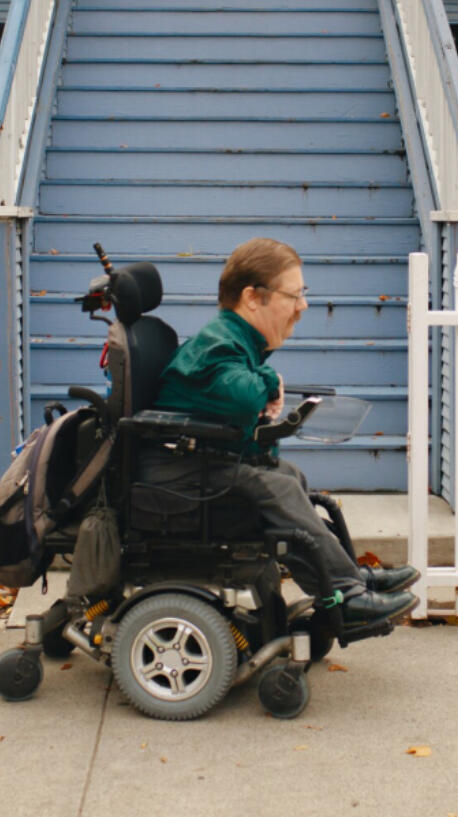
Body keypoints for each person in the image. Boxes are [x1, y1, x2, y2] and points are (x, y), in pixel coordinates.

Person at [140, 237, 419, 625]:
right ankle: (346, 593)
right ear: (252, 298)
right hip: (175, 481)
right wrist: (269, 379)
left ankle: (343, 580)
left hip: (191, 466)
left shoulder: (233, 340)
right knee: (279, 485)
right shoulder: (219, 344)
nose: (303, 306)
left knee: (288, 477)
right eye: (295, 295)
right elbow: (242, 398)